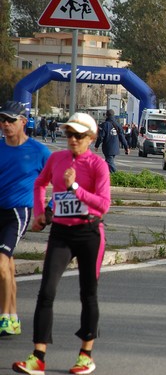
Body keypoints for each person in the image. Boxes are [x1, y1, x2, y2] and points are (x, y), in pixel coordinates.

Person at [13, 113, 110, 375]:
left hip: (89, 233)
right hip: (61, 233)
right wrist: (39, 212)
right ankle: (38, 357)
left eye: (78, 135)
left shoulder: (98, 165)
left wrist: (75, 186)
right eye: (69, 134)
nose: (72, 140)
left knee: (88, 293)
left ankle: (85, 355)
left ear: (90, 138)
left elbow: (104, 204)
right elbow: (39, 182)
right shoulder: (57, 159)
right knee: (46, 292)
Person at [0, 102, 50, 337]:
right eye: (2, 120)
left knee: (1, 264)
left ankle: (5, 318)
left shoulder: (39, 151)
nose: (5, 125)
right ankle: (11, 317)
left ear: (23, 121)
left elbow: (57, 179)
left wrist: (48, 209)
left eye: (10, 120)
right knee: (6, 266)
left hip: (18, 212)